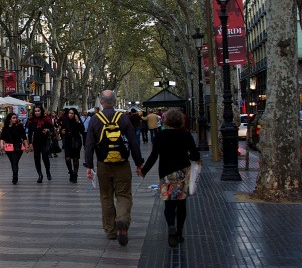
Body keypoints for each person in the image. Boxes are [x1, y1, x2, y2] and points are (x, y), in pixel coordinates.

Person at [83, 90, 143, 246]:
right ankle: (122, 219)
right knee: (124, 195)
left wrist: (88, 165)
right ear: (115, 102)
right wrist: (139, 163)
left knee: (106, 196)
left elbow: (89, 144)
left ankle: (110, 230)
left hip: (103, 164)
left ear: (101, 102)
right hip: (122, 163)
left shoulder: (95, 119)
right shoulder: (123, 118)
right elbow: (133, 142)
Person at [141, 108, 200, 248]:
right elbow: (195, 155)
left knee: (168, 203)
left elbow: (154, 156)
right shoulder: (186, 135)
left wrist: (144, 170)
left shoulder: (160, 136)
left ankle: (171, 226)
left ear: (166, 121)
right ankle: (179, 233)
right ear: (180, 120)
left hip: (166, 174)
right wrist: (188, 156)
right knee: (181, 203)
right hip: (182, 173)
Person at [26, 105, 54, 183]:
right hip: (36, 141)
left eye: (38, 111)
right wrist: (30, 143)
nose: (37, 112)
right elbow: (30, 133)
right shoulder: (32, 121)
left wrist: (47, 130)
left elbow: (52, 128)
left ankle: (48, 172)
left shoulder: (46, 119)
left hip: (45, 140)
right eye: (35, 111)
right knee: (37, 158)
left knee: (45, 157)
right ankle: (40, 175)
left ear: (41, 111)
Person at [0, 112, 27, 185]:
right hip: (8, 147)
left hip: (18, 147)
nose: (15, 119)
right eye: (13, 118)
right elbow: (2, 137)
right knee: (13, 162)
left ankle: (15, 176)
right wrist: (1, 145)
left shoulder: (19, 126)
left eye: (15, 118)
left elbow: (24, 137)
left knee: (14, 161)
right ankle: (15, 174)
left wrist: (26, 146)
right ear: (9, 119)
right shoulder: (6, 128)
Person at [63, 107, 85, 183]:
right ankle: (71, 172)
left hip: (76, 141)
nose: (70, 115)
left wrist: (78, 121)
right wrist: (61, 131)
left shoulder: (78, 121)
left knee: (75, 159)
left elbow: (82, 130)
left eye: (72, 113)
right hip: (68, 141)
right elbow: (61, 129)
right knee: (67, 158)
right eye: (69, 113)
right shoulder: (65, 120)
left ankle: (75, 174)